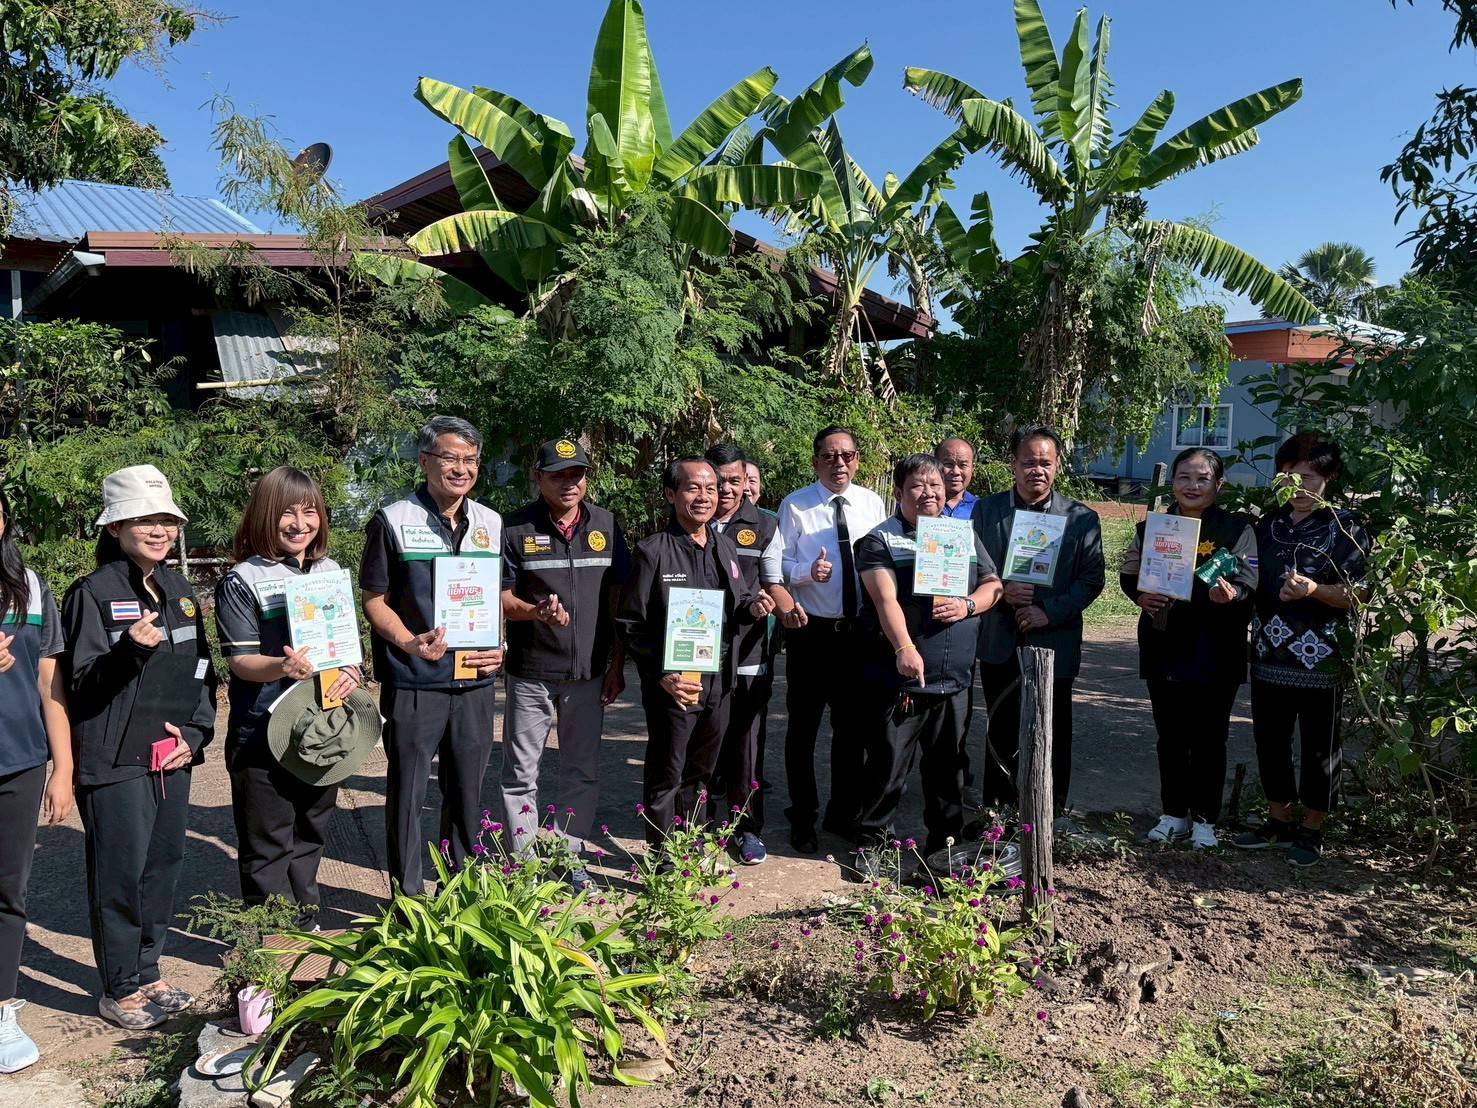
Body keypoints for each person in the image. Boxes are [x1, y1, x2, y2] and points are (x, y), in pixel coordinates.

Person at [62, 465, 215, 1029]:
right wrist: (127, 651)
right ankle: (120, 986)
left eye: (167, 520)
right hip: (114, 760)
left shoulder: (180, 591)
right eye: (145, 520)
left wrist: (194, 737)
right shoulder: (91, 594)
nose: (160, 530)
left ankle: (149, 971)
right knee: (120, 874)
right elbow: (78, 685)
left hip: (169, 754)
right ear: (116, 526)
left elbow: (202, 672)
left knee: (162, 866)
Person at [361, 416, 505, 893]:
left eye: (470, 460)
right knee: (408, 792)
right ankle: (408, 901)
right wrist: (409, 643)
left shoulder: (490, 522)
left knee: (467, 792)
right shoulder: (392, 521)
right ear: (425, 462)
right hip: (415, 680)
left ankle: (460, 893)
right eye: (450, 458)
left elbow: (496, 595)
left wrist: (500, 645)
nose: (462, 469)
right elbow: (374, 600)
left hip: (475, 682)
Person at [215, 468, 362, 924]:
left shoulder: (329, 571)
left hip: (323, 728)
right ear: (264, 514)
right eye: (287, 513)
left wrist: (352, 669)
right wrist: (282, 667)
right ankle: (271, 944)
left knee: (310, 834)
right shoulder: (243, 580)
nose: (300, 524)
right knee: (268, 844)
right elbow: (240, 661)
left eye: (310, 511)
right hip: (263, 733)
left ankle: (306, 928)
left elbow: (346, 647)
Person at [853, 455, 1002, 872]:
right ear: (898, 492)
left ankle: (945, 848)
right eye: (918, 486)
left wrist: (968, 605)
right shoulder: (880, 540)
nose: (929, 493)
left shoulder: (961, 534)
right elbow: (884, 600)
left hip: (954, 679)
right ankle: (872, 845)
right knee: (887, 769)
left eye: (935, 485)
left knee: (948, 772)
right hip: (902, 679)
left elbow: (993, 584)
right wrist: (904, 647)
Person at [616, 459, 770, 847]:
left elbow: (737, 602)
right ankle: (662, 857)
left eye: (710, 489)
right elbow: (631, 623)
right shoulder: (652, 551)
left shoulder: (725, 546)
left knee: (702, 771)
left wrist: (754, 607)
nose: (704, 497)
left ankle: (690, 847)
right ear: (671, 495)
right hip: (676, 680)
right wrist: (661, 673)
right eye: (693, 488)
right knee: (668, 770)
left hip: (719, 677)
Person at [500, 438, 630, 888]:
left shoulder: (606, 525)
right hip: (531, 671)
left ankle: (568, 855)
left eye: (577, 474)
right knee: (521, 773)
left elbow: (619, 599)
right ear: (538, 477)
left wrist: (616, 664)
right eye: (558, 474)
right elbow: (501, 597)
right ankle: (524, 868)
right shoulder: (515, 528)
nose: (569, 483)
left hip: (588, 673)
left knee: (581, 770)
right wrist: (534, 612)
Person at [1233, 433, 1368, 866]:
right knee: (1269, 739)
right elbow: (1246, 578)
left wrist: (1315, 590)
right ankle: (1278, 820)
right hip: (1269, 654)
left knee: (1319, 745)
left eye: (1308, 477)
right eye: (1288, 476)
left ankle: (1312, 829)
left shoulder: (1345, 527)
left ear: (1329, 478)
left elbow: (1359, 592)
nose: (1297, 486)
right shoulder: (1265, 525)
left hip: (1321, 659)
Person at [1120, 448, 1257, 850]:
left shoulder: (1237, 529)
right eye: (1184, 477)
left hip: (1216, 648)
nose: (1192, 486)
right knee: (1171, 736)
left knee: (1210, 738)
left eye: (1202, 478)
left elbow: (1250, 579)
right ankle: (1173, 814)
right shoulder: (1153, 528)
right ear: (1172, 483)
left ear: (1219, 485)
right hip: (1164, 643)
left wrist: (1232, 596)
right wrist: (1140, 596)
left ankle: (1205, 821)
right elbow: (1130, 573)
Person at [971, 426, 1104, 819]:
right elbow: (971, 565)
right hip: (1000, 637)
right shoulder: (986, 511)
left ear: (1057, 465)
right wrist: (1001, 589)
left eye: (1045, 463)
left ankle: (1050, 813)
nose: (1037, 470)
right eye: (1028, 462)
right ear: (1013, 464)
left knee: (1052, 729)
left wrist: (1048, 610)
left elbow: (1091, 579)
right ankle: (997, 814)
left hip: (1054, 640)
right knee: (1000, 726)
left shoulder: (1081, 518)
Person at [776, 426, 887, 853]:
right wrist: (807, 572)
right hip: (812, 634)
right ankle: (802, 815)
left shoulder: (872, 503)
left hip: (858, 634)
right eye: (829, 456)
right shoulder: (795, 505)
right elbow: (777, 565)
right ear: (815, 461)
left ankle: (843, 813)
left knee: (851, 731)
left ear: (857, 460)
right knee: (802, 730)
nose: (839, 463)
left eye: (847, 455)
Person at [704, 444, 806, 865]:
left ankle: (746, 828)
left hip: (748, 650)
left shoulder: (764, 526)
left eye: (735, 480)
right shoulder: (689, 519)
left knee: (746, 743)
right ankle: (697, 825)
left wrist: (786, 610)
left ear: (746, 481)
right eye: (719, 481)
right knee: (700, 739)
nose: (726, 489)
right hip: (696, 652)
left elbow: (773, 580)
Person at [0, 488, 73, 1072]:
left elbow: (49, 684)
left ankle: (2, 1007)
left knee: (9, 892)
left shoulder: (28, 586)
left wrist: (62, 768)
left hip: (19, 761)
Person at [935, 437, 979, 519]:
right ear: (934, 464)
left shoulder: (981, 508)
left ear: (972, 468)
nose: (956, 472)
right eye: (948, 464)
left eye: (963, 465)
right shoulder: (921, 503)